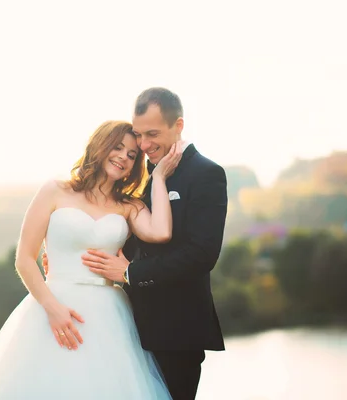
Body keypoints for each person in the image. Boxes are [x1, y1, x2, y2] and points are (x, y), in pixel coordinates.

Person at [0, 120, 184, 399]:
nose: (123, 157)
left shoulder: (129, 206)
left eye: (132, 155)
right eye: (117, 147)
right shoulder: (55, 191)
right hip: (52, 308)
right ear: (99, 146)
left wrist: (158, 178)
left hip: (108, 317)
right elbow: (24, 258)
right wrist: (53, 309)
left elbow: (161, 231)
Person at [44, 87, 228, 400]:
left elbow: (202, 254)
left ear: (178, 126)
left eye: (152, 134)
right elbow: (117, 231)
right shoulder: (140, 175)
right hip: (125, 326)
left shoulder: (206, 174)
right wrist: (69, 256)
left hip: (176, 330)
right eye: (139, 135)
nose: (143, 145)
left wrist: (131, 273)